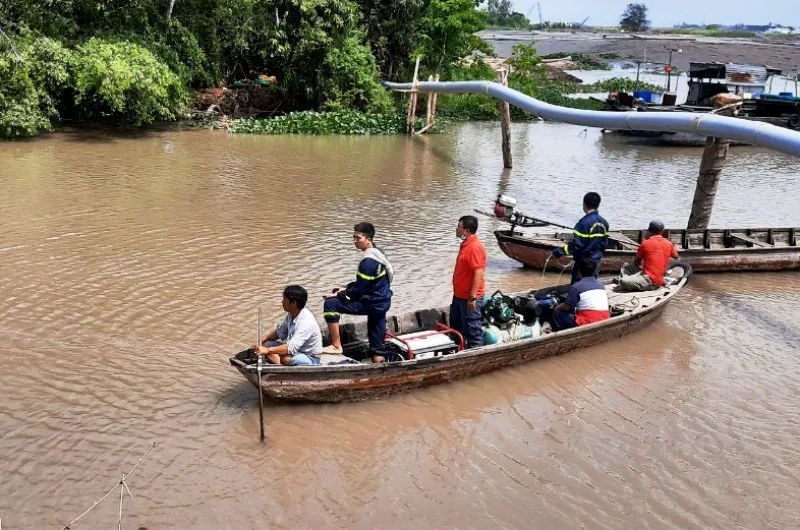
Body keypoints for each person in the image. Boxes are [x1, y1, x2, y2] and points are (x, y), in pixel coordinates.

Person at [322, 222, 393, 363]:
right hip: (383, 301)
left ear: (368, 239)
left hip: (372, 303)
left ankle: (336, 346)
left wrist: (339, 295)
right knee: (377, 346)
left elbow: (359, 291)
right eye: (353, 237)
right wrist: (345, 289)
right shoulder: (378, 253)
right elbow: (367, 284)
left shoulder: (368, 262)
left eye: (358, 238)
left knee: (330, 305)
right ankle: (379, 362)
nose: (355, 241)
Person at [253, 285, 323, 365]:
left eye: (284, 299)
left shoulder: (305, 322)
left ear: (293, 303)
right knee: (265, 344)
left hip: (310, 357)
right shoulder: (291, 314)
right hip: (296, 351)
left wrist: (268, 351)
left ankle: (279, 368)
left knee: (285, 358)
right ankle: (278, 363)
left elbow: (290, 348)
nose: (282, 302)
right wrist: (261, 340)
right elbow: (279, 333)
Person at [552, 192, 610, 284]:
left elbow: (576, 245)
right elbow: (604, 244)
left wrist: (560, 251)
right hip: (596, 262)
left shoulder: (583, 224)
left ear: (584, 204)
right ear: (598, 205)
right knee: (591, 286)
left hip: (583, 264)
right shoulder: (604, 223)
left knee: (578, 287)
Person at [451, 215, 488, 349]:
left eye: (459, 226)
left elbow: (478, 272)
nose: (457, 228)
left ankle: (477, 358)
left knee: (473, 333)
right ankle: (458, 352)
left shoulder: (474, 248)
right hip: (459, 296)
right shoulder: (465, 244)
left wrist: (472, 297)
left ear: (466, 230)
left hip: (469, 298)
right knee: (456, 328)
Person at [619, 220, 679, 291]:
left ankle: (632, 282)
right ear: (662, 231)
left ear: (649, 230)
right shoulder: (669, 244)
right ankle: (634, 280)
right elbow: (676, 257)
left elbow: (636, 262)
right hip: (653, 276)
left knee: (622, 281)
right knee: (626, 266)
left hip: (651, 281)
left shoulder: (645, 243)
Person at [552, 259, 610, 331]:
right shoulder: (601, 286)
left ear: (578, 272)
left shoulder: (576, 287)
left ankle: (559, 332)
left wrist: (557, 307)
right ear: (594, 271)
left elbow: (567, 307)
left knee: (558, 313)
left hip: (588, 322)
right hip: (605, 318)